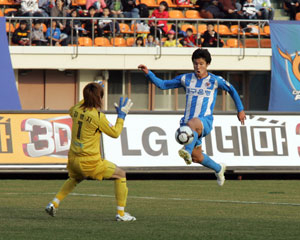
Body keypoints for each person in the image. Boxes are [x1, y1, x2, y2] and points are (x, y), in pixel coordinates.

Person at [138, 48, 246, 186]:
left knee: (193, 123)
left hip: (204, 121)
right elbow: (163, 85)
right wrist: (149, 74)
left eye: (201, 64)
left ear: (207, 64)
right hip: (188, 125)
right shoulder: (186, 78)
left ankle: (186, 151)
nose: (198, 67)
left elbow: (232, 90)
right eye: (195, 63)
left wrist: (240, 110)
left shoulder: (215, 80)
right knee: (197, 157)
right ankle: (219, 168)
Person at [45, 82, 136, 222]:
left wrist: (88, 96)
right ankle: (121, 214)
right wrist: (121, 117)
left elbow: (75, 108)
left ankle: (53, 203)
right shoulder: (97, 117)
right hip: (90, 161)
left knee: (75, 178)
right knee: (120, 174)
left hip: (73, 159)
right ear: (99, 98)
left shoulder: (76, 110)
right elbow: (116, 133)